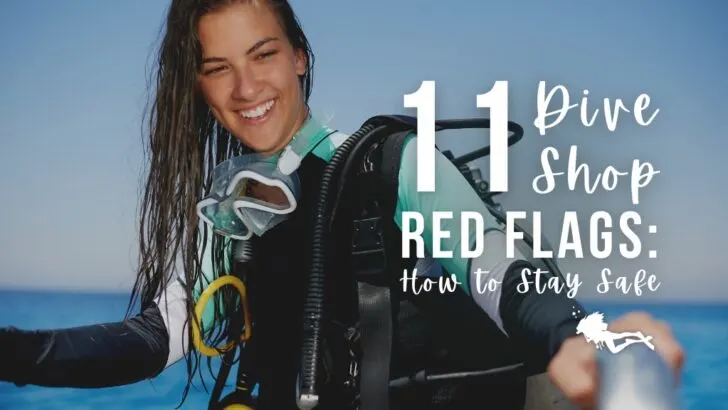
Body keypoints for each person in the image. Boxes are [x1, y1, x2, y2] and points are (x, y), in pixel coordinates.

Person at [0, 1, 684, 409]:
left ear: (299, 57)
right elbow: (153, 341)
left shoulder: (391, 165)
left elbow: (499, 265)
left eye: (262, 54)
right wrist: (16, 354)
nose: (245, 87)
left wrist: (576, 336)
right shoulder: (225, 220)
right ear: (200, 88)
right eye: (217, 68)